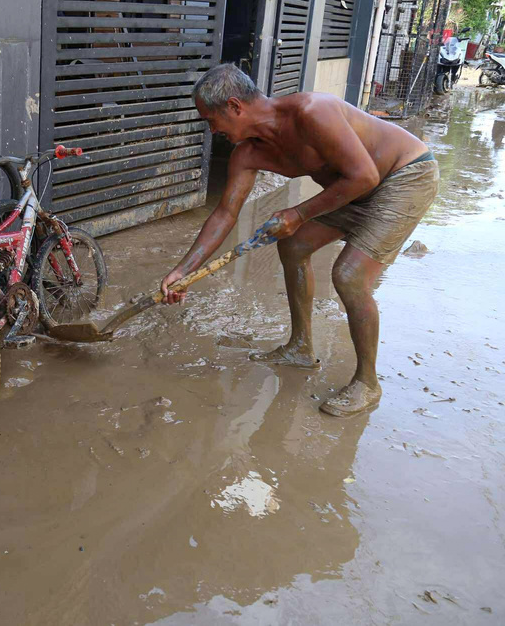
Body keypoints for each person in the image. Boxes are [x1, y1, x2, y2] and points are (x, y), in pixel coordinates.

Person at [160, 64, 439, 417]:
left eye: (212, 120)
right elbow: (225, 214)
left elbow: (365, 175)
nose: (212, 131)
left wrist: (298, 214)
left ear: (234, 106)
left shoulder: (312, 112)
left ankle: (367, 383)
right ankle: (301, 347)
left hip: (404, 176)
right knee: (292, 245)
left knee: (349, 275)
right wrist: (182, 271)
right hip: (354, 188)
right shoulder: (248, 153)